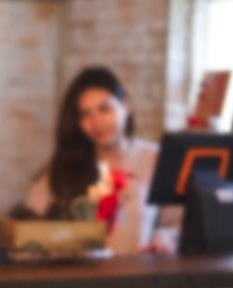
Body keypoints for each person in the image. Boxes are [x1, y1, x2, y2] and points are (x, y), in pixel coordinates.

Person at [22, 66, 178, 255]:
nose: (96, 123)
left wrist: (163, 238)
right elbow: (29, 230)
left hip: (139, 276)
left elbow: (175, 222)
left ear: (126, 105)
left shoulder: (155, 159)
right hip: (81, 279)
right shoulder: (65, 166)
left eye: (104, 109)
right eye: (85, 114)